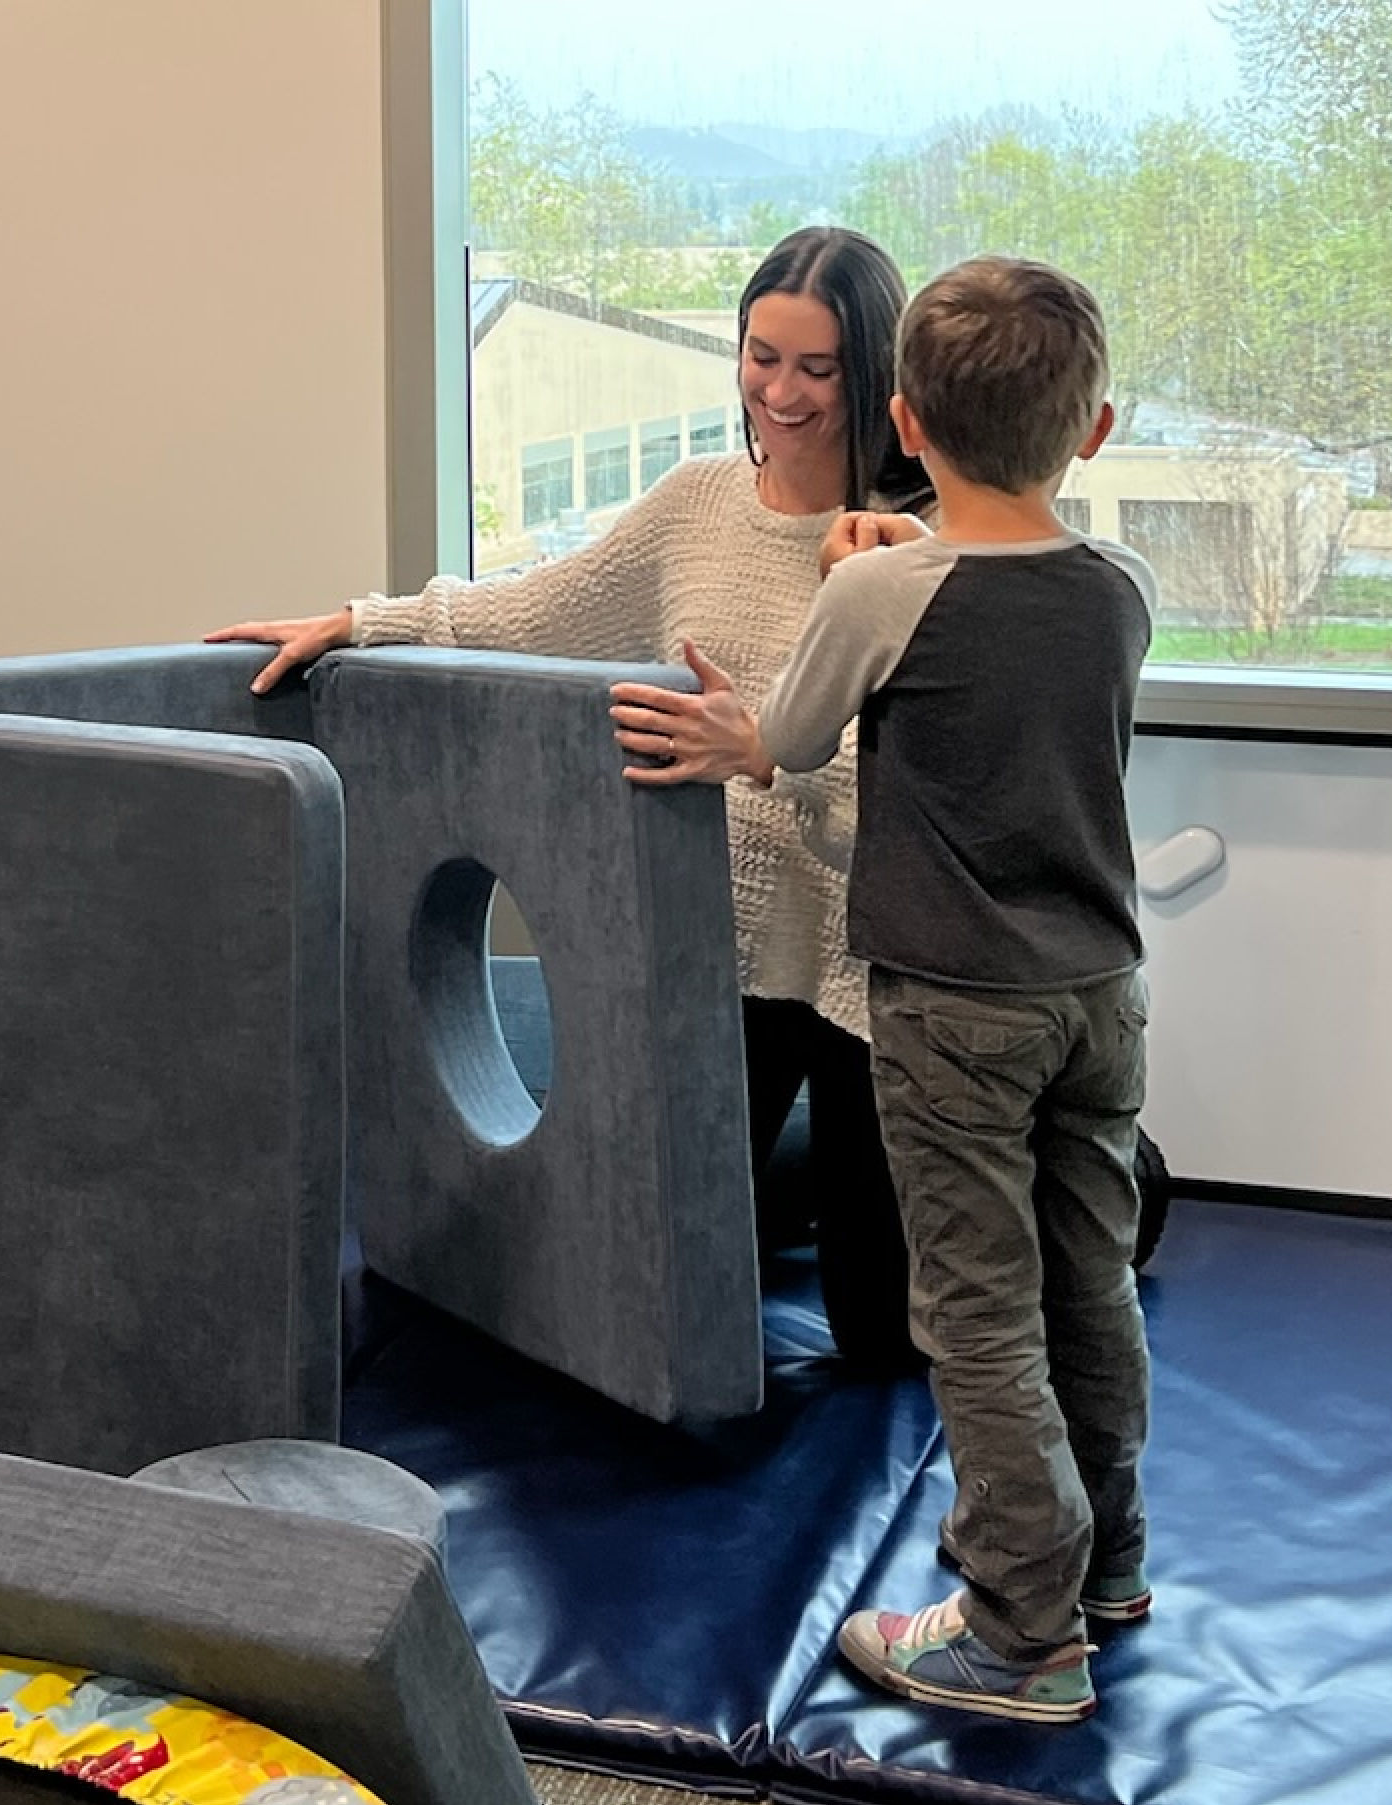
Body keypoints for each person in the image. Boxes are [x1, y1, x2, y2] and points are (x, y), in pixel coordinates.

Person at [207, 228, 932, 1365]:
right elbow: (537, 609)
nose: (778, 392)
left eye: (816, 368)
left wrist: (759, 748)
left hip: (859, 957)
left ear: (870, 372)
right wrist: (361, 621)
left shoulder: (909, 548)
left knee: (883, 1336)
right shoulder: (695, 504)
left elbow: (922, 784)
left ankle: (1081, 1178)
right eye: (760, 356)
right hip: (723, 945)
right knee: (681, 1265)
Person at [616, 255, 1155, 1723]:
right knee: (1087, 1286)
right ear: (1092, 431)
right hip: (1099, 995)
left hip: (950, 1009)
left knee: (972, 1315)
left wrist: (825, 599)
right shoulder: (1122, 590)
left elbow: (782, 739)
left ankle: (1016, 1628)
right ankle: (1103, 1566)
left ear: (902, 422)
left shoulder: (879, 590)